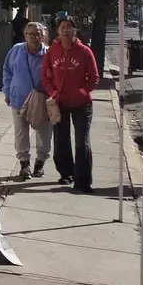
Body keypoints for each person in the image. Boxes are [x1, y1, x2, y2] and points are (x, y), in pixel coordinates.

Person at [42, 16, 100, 191]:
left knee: (82, 142)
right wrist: (53, 92)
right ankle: (66, 174)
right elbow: (45, 75)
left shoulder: (84, 51)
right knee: (61, 141)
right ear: (57, 30)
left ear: (75, 31)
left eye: (68, 27)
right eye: (62, 27)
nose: (65, 30)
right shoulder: (53, 51)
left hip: (82, 105)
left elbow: (94, 77)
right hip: (60, 103)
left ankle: (83, 181)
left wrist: (82, 91)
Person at [3, 22, 52, 179]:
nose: (33, 37)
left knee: (44, 133)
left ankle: (40, 164)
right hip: (19, 98)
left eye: (37, 34)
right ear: (25, 36)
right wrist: (7, 91)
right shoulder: (17, 50)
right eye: (30, 34)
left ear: (43, 36)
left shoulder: (48, 53)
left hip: (42, 100)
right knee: (20, 133)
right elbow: (7, 71)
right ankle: (24, 165)